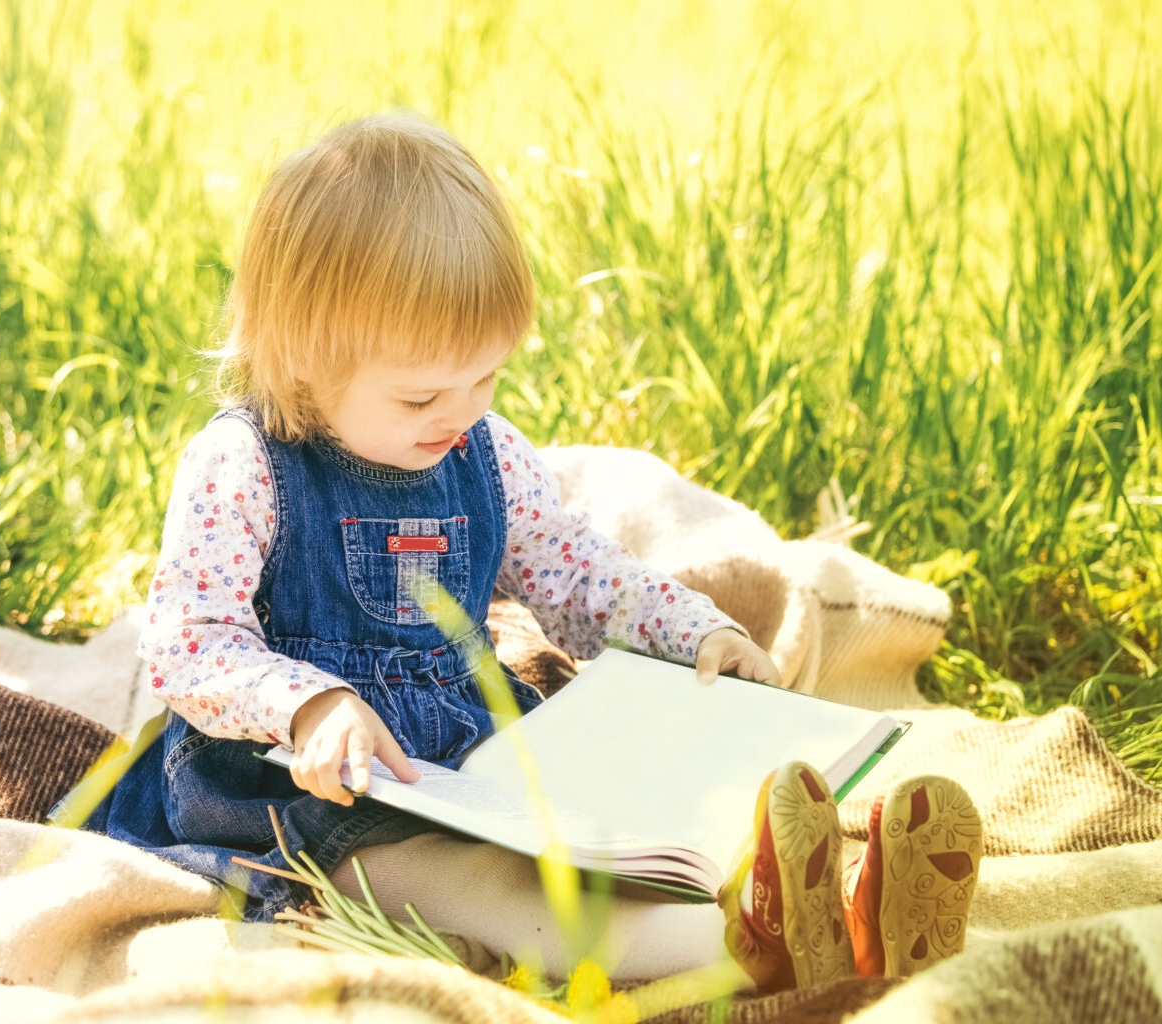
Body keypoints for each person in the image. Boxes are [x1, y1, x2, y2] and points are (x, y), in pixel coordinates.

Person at [80, 111, 980, 988]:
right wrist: (307, 706)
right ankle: (757, 945)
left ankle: (847, 908)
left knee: (623, 837)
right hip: (310, 796)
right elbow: (186, 643)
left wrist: (690, 628)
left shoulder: (481, 449)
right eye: (423, 395)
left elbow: (576, 570)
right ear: (302, 358)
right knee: (471, 892)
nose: (461, 411)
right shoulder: (245, 465)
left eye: (487, 376)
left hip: (479, 764)